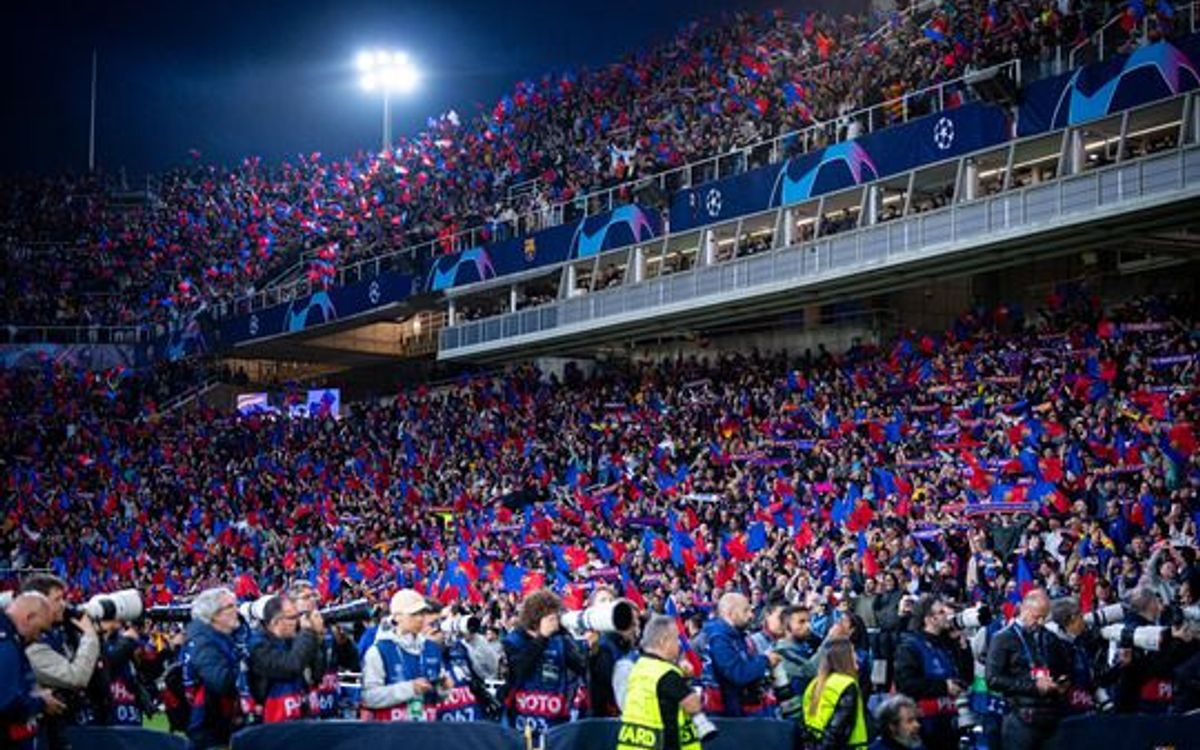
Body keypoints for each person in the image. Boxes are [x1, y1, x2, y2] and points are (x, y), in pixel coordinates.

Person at [985, 589, 1068, 750]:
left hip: (1051, 716)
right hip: (1020, 718)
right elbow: (993, 679)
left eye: (1045, 617)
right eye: (1037, 617)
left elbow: (1063, 668)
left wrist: (1061, 682)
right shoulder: (1002, 638)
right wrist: (1033, 685)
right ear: (1024, 609)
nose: (1041, 622)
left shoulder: (1050, 637)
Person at [502, 588, 588, 733]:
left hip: (555, 727)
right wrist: (542, 637)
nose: (554, 621)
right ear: (536, 618)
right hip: (521, 725)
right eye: (550, 617)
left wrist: (592, 648)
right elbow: (518, 671)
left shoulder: (561, 641)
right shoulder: (514, 640)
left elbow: (583, 668)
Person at [20, 574, 100, 727]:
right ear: (39, 604)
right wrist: (90, 636)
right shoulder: (33, 646)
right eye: (57, 599)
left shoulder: (58, 633)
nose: (64, 604)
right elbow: (76, 677)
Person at [615, 615, 703, 750]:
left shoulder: (637, 667)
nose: (678, 645)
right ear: (664, 641)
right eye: (676, 639)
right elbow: (693, 705)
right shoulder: (667, 674)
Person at [360, 588, 447, 722]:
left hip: (427, 732)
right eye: (414, 614)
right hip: (392, 734)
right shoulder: (379, 650)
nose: (420, 619)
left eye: (422, 614)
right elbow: (369, 697)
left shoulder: (432, 648)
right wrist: (410, 689)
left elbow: (439, 697)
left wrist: (443, 689)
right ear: (396, 617)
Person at [893, 597, 968, 750]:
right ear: (929, 619)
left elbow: (967, 677)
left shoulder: (948, 642)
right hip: (924, 724)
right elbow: (906, 684)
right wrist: (943, 686)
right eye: (941, 612)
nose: (946, 616)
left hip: (951, 722)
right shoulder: (911, 645)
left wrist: (963, 647)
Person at [182, 587, 245, 750]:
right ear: (214, 615)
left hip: (218, 724)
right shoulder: (204, 643)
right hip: (209, 728)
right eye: (230, 607)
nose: (236, 610)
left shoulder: (219, 639)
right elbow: (220, 682)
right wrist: (245, 670)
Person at [699, 592, 781, 717]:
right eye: (745, 611)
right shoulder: (718, 639)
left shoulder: (737, 636)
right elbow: (737, 673)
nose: (751, 615)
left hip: (736, 710)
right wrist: (765, 661)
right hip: (725, 716)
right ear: (730, 613)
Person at [248, 594, 324, 723]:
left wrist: (318, 637)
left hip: (299, 716)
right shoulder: (258, 646)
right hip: (272, 724)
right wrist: (307, 633)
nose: (298, 621)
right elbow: (292, 666)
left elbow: (317, 675)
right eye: (293, 617)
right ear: (275, 622)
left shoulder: (294, 641)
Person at [1, 592, 63, 749]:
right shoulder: (6, 642)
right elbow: (6, 703)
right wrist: (41, 702)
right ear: (29, 617)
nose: (39, 638)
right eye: (41, 630)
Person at [802, 638, 869, 750]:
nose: (856, 657)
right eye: (852, 653)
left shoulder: (815, 684)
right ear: (844, 658)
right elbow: (836, 731)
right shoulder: (847, 685)